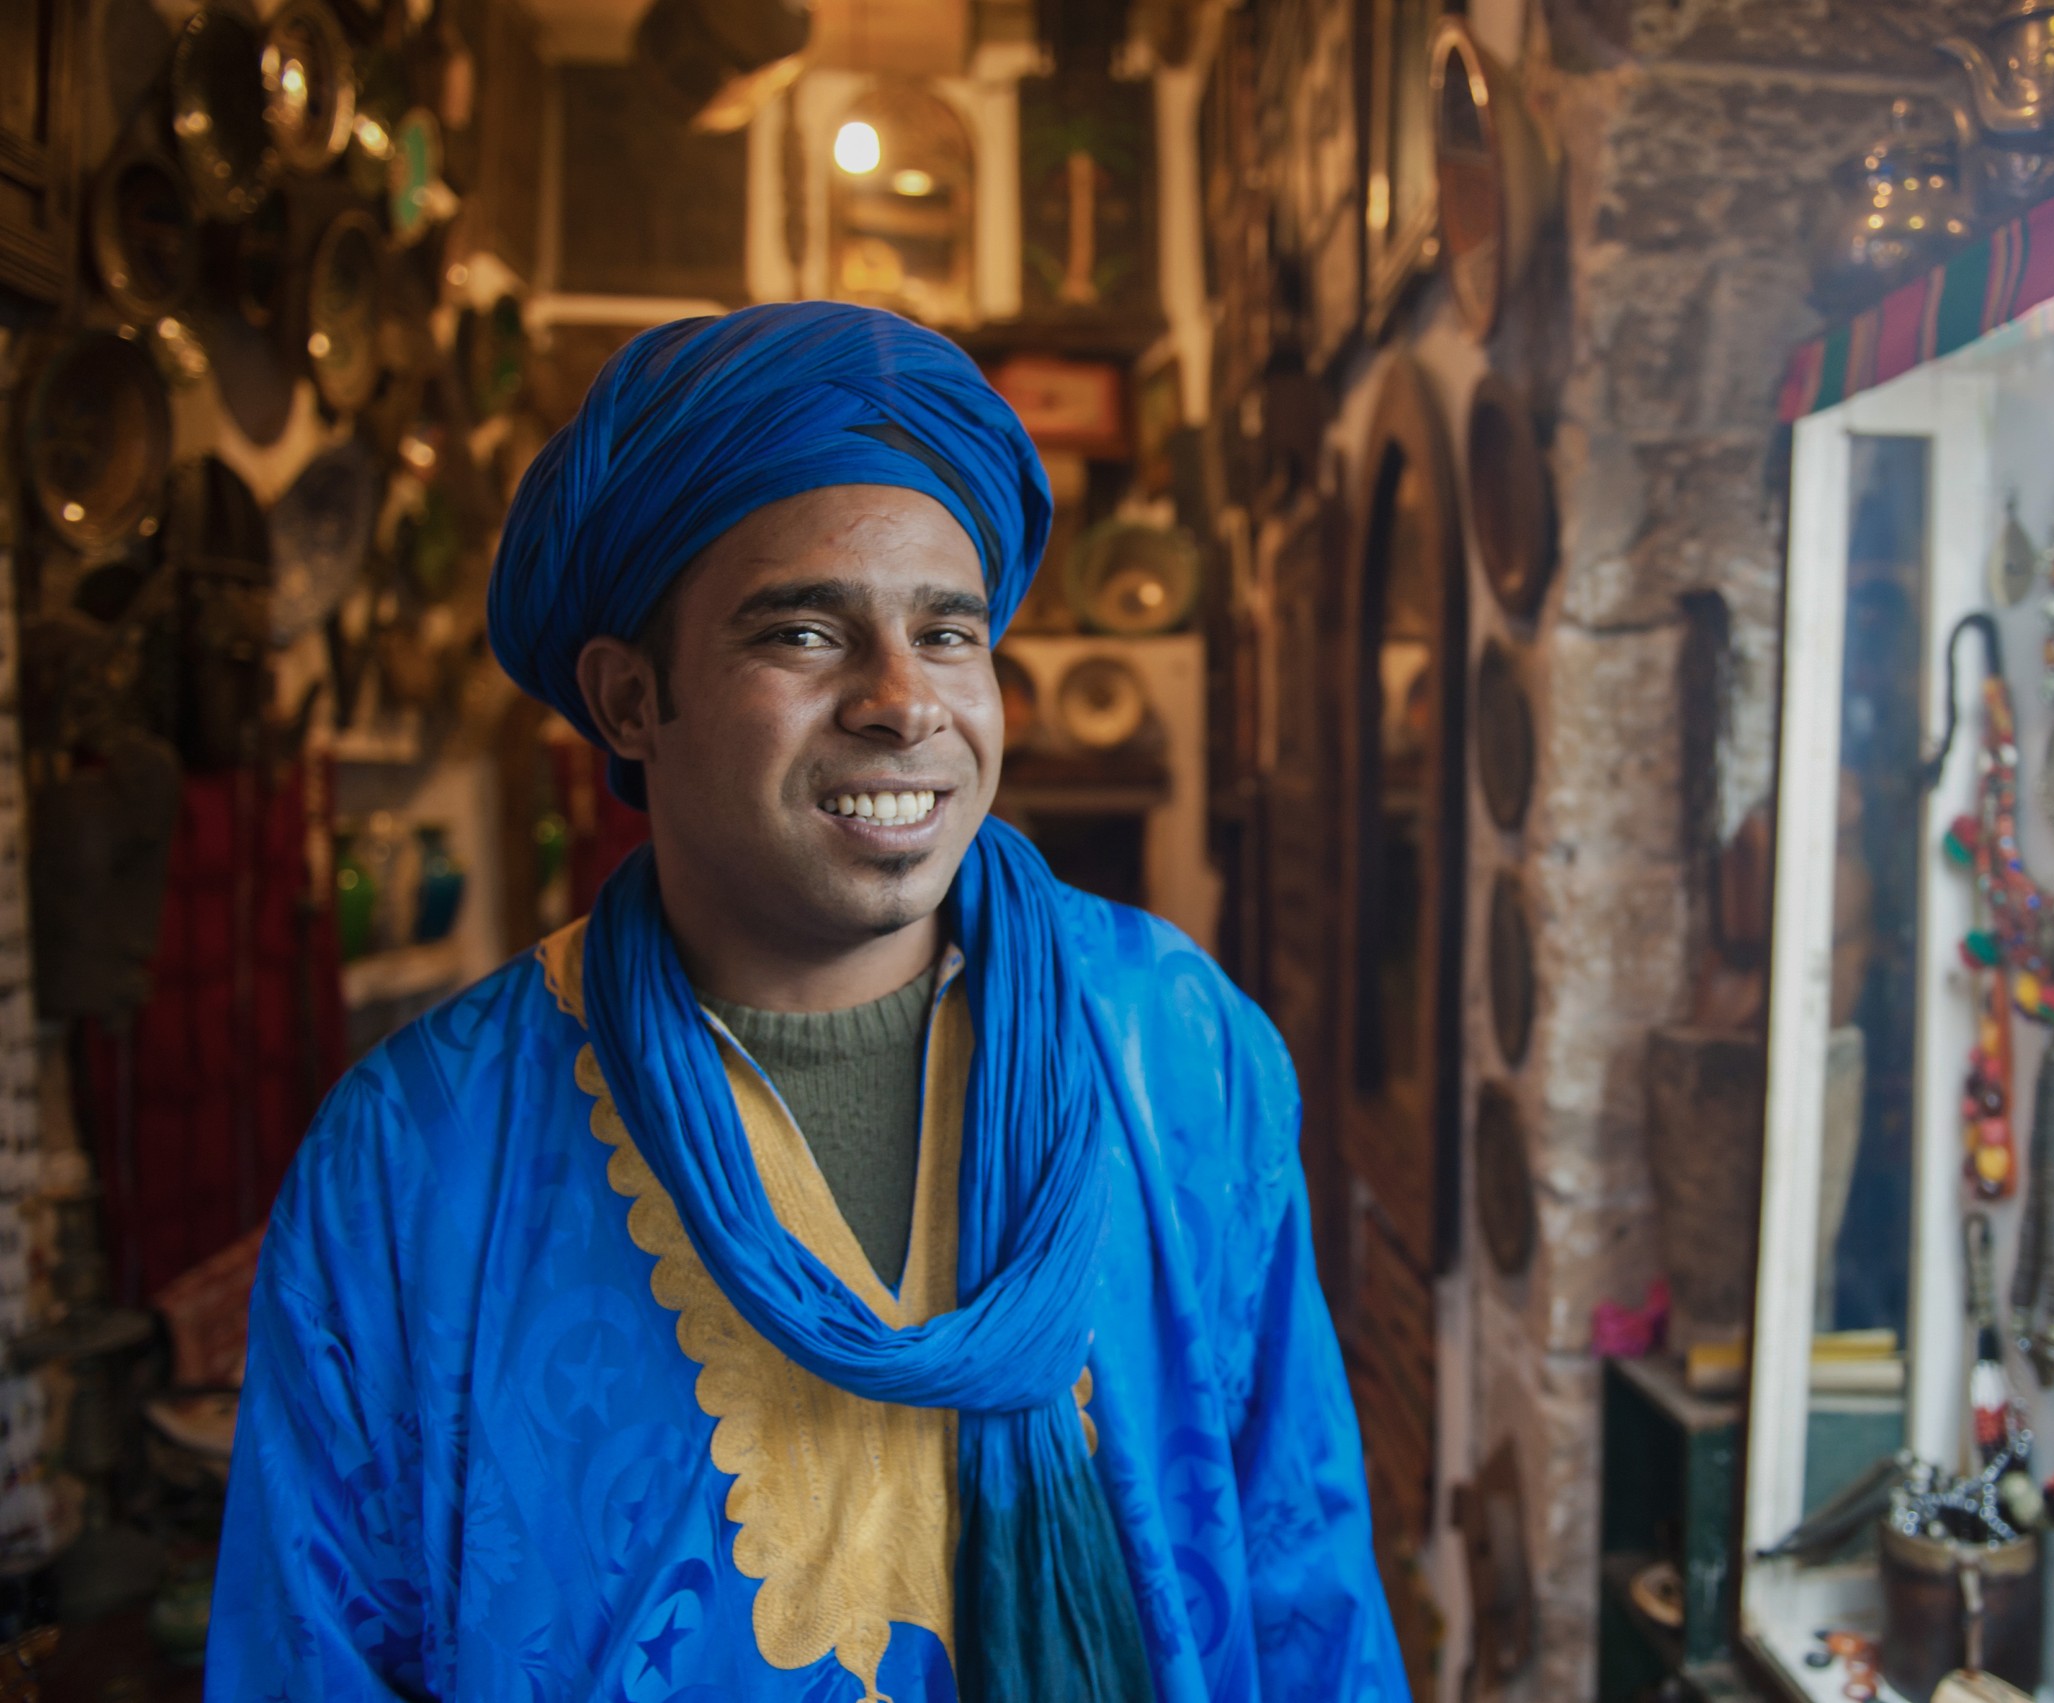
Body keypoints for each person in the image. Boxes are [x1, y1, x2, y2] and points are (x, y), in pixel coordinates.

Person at [207, 302, 1406, 1702]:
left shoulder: (1174, 1051)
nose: (904, 703)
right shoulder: (418, 1158)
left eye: (949, 634)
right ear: (629, 700)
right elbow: (312, 1656)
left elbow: (1302, 1585)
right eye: (803, 632)